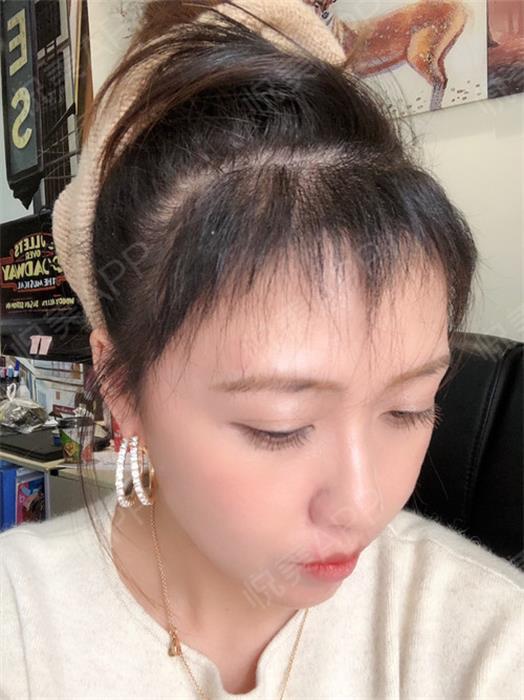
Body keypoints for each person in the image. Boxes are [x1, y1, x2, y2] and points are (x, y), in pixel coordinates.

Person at [1, 1, 522, 698]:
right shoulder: (19, 631)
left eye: (410, 407)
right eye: (279, 426)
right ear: (120, 384)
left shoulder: (487, 637)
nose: (362, 504)